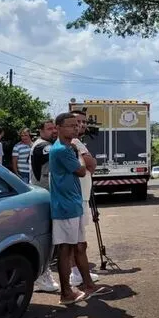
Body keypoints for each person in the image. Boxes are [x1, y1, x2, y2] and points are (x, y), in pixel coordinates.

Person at [49, 112, 106, 304]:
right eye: (71, 125)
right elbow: (83, 170)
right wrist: (78, 153)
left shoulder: (69, 147)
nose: (76, 128)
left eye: (77, 125)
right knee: (65, 250)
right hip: (65, 206)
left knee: (80, 245)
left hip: (74, 204)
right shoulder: (62, 150)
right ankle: (66, 293)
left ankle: (88, 285)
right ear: (58, 128)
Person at [69, 110, 99, 287]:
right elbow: (91, 164)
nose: (81, 125)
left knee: (79, 238)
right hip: (77, 197)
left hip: (81, 196)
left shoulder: (77, 142)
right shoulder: (74, 142)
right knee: (77, 240)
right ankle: (76, 274)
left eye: (83, 122)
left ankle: (78, 272)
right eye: (77, 122)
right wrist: (91, 164)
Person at [31, 119, 61, 293]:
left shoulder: (45, 145)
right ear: (40, 130)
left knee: (52, 237)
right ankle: (42, 275)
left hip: (48, 196)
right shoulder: (43, 146)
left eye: (54, 128)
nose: (53, 131)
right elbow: (60, 153)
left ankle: (44, 272)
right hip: (44, 196)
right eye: (49, 128)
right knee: (47, 237)